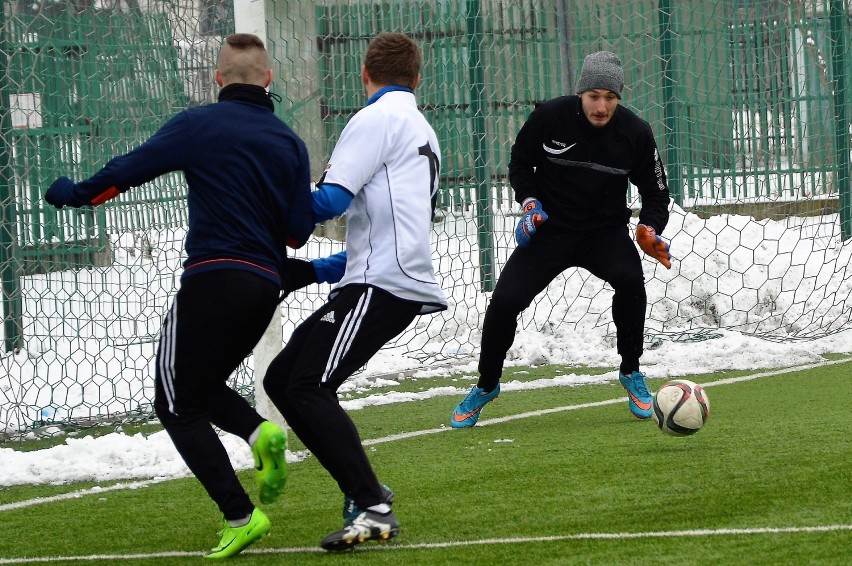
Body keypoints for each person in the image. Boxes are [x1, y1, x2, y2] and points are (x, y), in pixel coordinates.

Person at [44, 33, 318, 559]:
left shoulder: (198, 124)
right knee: (198, 386)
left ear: (217, 79)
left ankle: (240, 514)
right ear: (269, 80)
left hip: (213, 279)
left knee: (172, 402)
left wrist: (75, 193)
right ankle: (259, 434)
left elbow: (127, 171)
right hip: (265, 288)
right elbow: (297, 232)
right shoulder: (289, 142)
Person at [262, 32, 447, 551]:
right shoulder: (423, 130)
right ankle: (365, 493)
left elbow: (330, 202)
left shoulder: (374, 119)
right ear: (417, 78)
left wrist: (265, 201)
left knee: (305, 386)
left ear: (364, 76)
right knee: (282, 378)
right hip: (379, 281)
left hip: (382, 286)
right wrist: (315, 271)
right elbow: (382, 228)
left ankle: (372, 504)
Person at [450, 50, 672, 428]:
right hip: (550, 228)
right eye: (594, 96)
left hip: (603, 232)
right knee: (505, 301)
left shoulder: (635, 133)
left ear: (619, 98)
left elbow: (656, 191)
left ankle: (631, 371)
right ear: (581, 93)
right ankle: (486, 384)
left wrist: (650, 227)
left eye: (611, 98)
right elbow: (520, 163)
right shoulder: (550, 117)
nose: (601, 106)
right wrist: (530, 201)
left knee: (632, 282)